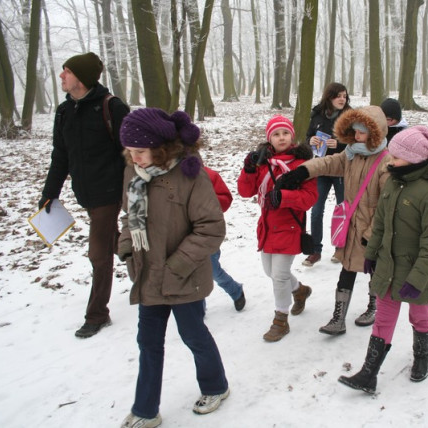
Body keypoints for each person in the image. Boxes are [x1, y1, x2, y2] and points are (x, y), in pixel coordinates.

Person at [117, 108, 230, 427]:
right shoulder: (133, 173)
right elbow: (129, 216)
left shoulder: (190, 175)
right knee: (148, 342)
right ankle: (145, 410)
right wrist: (127, 248)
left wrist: (177, 265)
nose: (134, 157)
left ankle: (216, 386)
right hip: (148, 276)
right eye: (129, 151)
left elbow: (210, 227)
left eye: (140, 151)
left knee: (193, 335)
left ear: (160, 146)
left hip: (184, 276)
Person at [338, 126, 428, 393]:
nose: (390, 159)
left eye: (397, 156)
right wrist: (371, 254)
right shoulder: (392, 182)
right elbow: (380, 225)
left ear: (415, 158)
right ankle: (369, 374)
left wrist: (418, 277)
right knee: (383, 319)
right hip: (388, 266)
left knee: (420, 317)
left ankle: (422, 356)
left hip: (416, 271)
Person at [277, 106, 392, 334]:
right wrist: (301, 171)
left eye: (361, 133)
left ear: (375, 132)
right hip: (351, 225)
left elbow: (386, 207)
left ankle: (374, 306)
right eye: (354, 132)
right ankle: (338, 318)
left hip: (373, 229)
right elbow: (327, 163)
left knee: (374, 269)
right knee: (347, 268)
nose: (356, 136)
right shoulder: (351, 154)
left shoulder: (385, 163)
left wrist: (372, 234)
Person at [38, 52, 129, 338]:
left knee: (98, 252)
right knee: (112, 240)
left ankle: (97, 314)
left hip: (110, 191)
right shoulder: (64, 111)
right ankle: (143, 263)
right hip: (86, 193)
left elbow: (130, 152)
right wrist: (50, 192)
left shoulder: (111, 107)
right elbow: (60, 154)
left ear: (82, 77)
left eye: (67, 71)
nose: (62, 76)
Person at [237, 115, 317, 342]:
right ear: (269, 138)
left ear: (292, 135)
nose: (281, 138)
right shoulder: (264, 162)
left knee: (280, 275)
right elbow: (245, 192)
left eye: (285, 133)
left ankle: (280, 319)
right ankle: (300, 291)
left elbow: (310, 197)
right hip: (268, 226)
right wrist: (250, 168)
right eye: (276, 134)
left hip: (290, 226)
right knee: (270, 272)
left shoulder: (302, 164)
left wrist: (283, 196)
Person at [302, 82, 352, 267]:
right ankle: (315, 251)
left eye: (344, 96)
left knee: (342, 210)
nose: (342, 99)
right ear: (329, 97)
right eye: (338, 96)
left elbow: (357, 142)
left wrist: (339, 144)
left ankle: (341, 248)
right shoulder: (317, 114)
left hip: (341, 169)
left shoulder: (351, 117)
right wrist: (311, 140)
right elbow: (308, 136)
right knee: (316, 210)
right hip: (321, 168)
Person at [205, 166, 246, 311]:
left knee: (211, 269)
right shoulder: (168, 177)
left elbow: (225, 200)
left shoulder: (207, 174)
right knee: (190, 274)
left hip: (207, 233)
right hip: (181, 235)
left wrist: (205, 198)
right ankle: (197, 308)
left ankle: (235, 290)